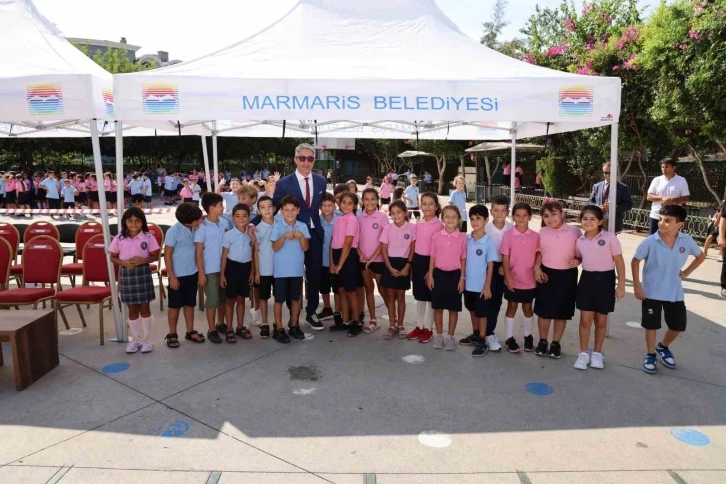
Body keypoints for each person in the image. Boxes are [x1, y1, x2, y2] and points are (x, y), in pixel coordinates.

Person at [252, 143, 327, 330]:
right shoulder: (284, 183)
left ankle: (311, 312)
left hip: (314, 235)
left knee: (314, 276)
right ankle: (292, 314)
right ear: (295, 159)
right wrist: (252, 223)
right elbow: (272, 206)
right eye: (302, 158)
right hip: (290, 239)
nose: (306, 162)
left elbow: (323, 206)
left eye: (310, 158)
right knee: (291, 277)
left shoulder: (321, 181)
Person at [632, 204, 705, 374]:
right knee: (651, 325)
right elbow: (635, 261)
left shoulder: (686, 241)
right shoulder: (650, 241)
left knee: (678, 326)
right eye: (660, 219)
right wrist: (637, 285)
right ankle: (650, 354)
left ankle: (662, 347)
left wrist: (686, 272)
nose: (662, 223)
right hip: (651, 291)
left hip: (675, 292)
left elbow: (700, 256)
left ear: (679, 225)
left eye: (667, 221)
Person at [573, 205, 626, 370]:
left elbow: (619, 261)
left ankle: (596, 354)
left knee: (601, 320)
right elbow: (581, 257)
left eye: (592, 219)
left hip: (606, 280)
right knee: (585, 320)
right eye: (585, 219)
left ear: (600, 221)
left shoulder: (610, 238)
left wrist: (621, 285)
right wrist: (577, 262)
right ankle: (583, 354)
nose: (588, 222)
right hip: (587, 279)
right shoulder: (579, 240)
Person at [533, 201, 582, 358]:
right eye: (546, 216)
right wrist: (537, 267)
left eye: (554, 214)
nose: (550, 219)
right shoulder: (542, 232)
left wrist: (578, 261)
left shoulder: (575, 232)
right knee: (544, 311)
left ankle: (556, 343)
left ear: (562, 214)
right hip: (546, 274)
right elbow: (539, 252)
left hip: (567, 275)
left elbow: (581, 253)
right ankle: (542, 341)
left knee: (562, 311)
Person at [109, 207, 160, 354]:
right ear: (125, 222)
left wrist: (143, 260)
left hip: (143, 272)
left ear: (142, 222)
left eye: (137, 221)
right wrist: (123, 263)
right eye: (130, 221)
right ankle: (135, 339)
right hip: (126, 273)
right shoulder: (119, 238)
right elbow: (113, 256)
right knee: (132, 308)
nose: (133, 224)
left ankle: (147, 339)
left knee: (144, 307)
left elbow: (155, 255)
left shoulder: (148, 237)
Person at [426, 205, 467, 351]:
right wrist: (431, 275)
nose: (450, 220)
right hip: (439, 275)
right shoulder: (437, 236)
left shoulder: (462, 238)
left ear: (458, 220)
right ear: (442, 219)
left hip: (455, 276)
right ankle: (439, 335)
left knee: (453, 308)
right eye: (447, 217)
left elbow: (463, 259)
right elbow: (433, 256)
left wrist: (462, 278)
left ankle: (450, 336)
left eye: (454, 217)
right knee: (438, 307)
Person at [164, 203, 204, 348]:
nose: (200, 221)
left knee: (190, 304)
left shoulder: (194, 227)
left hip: (192, 273)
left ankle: (190, 330)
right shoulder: (173, 232)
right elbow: (167, 256)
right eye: (198, 219)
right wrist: (172, 277)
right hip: (178, 275)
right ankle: (172, 333)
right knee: (175, 306)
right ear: (188, 221)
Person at [500, 202, 538, 353]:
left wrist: (537, 268)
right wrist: (508, 277)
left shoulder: (535, 236)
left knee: (528, 308)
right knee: (512, 307)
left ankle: (528, 336)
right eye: (517, 215)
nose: (521, 219)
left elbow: (539, 253)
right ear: (513, 216)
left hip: (529, 280)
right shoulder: (508, 235)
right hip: (513, 279)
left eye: (524, 216)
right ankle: (509, 338)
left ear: (530, 217)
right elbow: (505, 257)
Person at [271, 196, 311, 343]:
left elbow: (306, 247)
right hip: (281, 271)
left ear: (298, 210)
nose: (289, 213)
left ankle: (294, 325)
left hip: (296, 270)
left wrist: (301, 237)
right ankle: (279, 328)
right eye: (286, 210)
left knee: (295, 299)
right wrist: (284, 236)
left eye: (293, 210)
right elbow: (275, 247)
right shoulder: (278, 225)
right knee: (279, 300)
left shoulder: (302, 226)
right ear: (281, 211)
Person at [461, 204, 498, 356]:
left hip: (482, 287)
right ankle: (476, 334)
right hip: (468, 285)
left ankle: (483, 341)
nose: (475, 222)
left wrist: (487, 287)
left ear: (486, 220)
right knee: (472, 310)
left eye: (478, 219)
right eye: (472, 219)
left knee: (482, 314)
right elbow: (462, 260)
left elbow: (490, 266)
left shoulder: (489, 242)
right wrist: (462, 279)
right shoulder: (466, 239)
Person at [407, 193, 443, 343]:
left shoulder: (439, 225)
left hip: (432, 263)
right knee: (420, 296)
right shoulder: (418, 224)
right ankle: (419, 325)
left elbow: (439, 250)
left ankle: (428, 328)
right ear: (420, 206)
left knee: (430, 297)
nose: (427, 207)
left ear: (436, 207)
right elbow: (414, 244)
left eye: (431, 204)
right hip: (418, 261)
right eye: (424, 204)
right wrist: (411, 264)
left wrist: (431, 270)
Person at [194, 192, 230, 345]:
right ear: (211, 208)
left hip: (225, 267)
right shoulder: (202, 227)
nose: (223, 208)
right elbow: (198, 251)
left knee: (223, 298)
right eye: (220, 205)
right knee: (212, 299)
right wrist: (201, 272)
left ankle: (220, 323)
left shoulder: (225, 223)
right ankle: (211, 329)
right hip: (210, 269)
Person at [378, 200, 415, 340]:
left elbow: (412, 248)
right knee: (390, 297)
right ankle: (392, 325)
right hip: (390, 265)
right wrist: (389, 267)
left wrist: (408, 266)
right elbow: (383, 249)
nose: (396, 216)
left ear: (405, 213)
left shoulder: (411, 228)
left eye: (399, 212)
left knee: (401, 297)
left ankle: (400, 325)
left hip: (404, 264)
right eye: (393, 213)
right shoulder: (387, 228)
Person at [221, 204, 255, 343]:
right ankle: (229, 328)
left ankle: (240, 327)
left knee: (242, 300)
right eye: (237, 216)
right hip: (232, 269)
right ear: (233, 218)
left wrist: (252, 271)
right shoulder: (229, 235)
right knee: (230, 301)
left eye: (244, 216)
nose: (241, 219)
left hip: (246, 268)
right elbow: (224, 256)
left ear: (249, 217)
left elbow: (253, 254)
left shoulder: (251, 234)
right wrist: (222, 274)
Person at [356, 188, 389, 333]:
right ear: (362, 201)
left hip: (379, 260)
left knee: (383, 289)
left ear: (377, 200)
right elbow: (355, 240)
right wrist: (360, 254)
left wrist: (374, 257)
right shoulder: (358, 217)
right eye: (366, 199)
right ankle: (373, 319)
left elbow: (384, 241)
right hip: (363, 260)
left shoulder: (382, 217)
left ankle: (393, 319)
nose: (369, 202)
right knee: (369, 289)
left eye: (373, 199)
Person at [329, 191, 362, 335]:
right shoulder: (338, 219)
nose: (346, 205)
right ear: (339, 203)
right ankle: (345, 321)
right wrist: (332, 263)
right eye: (343, 202)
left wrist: (341, 264)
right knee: (341, 290)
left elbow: (348, 243)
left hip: (347, 257)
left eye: (350, 203)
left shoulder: (352, 219)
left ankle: (356, 321)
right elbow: (333, 243)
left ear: (355, 205)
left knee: (350, 291)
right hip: (337, 256)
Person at [482, 195, 512, 352]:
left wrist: (507, 266)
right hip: (486, 267)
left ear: (507, 212)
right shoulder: (486, 228)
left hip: (503, 267)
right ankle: (482, 332)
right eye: (496, 210)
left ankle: (490, 332)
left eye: (503, 211)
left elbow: (513, 251)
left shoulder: (511, 227)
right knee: (484, 300)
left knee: (497, 301)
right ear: (491, 211)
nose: (499, 214)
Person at [252, 196, 276, 338]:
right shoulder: (257, 229)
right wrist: (257, 272)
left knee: (279, 298)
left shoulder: (280, 223)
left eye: (269, 206)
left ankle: (278, 323)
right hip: (264, 269)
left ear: (274, 208)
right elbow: (255, 252)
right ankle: (265, 323)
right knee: (264, 297)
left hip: (279, 269)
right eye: (263, 207)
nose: (267, 210)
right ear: (258, 211)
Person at [646, 160, 690, 235]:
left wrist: (672, 201)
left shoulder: (681, 180)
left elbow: (686, 198)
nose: (663, 169)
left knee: (670, 241)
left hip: (673, 217)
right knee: (653, 241)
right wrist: (662, 198)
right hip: (656, 216)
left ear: (674, 168)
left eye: (666, 167)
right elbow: (649, 196)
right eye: (662, 167)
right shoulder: (657, 180)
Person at [588, 162, 633, 233]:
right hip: (597, 220)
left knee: (610, 243)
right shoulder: (597, 186)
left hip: (614, 222)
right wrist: (598, 207)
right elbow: (590, 202)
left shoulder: (622, 188)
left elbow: (628, 205)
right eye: (605, 173)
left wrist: (612, 208)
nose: (608, 175)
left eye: (610, 172)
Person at [318, 192, 341, 325]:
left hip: (336, 261)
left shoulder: (340, 219)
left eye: (330, 205)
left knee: (337, 287)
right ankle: (327, 308)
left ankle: (338, 311)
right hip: (322, 260)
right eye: (324, 205)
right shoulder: (317, 219)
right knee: (324, 287)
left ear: (334, 206)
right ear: (320, 206)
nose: (327, 208)